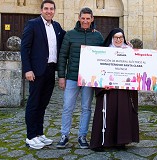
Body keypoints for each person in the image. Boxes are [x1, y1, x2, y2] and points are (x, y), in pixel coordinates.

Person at [56, 7, 104, 149]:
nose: (85, 21)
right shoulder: (70, 35)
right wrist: (61, 76)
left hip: (89, 79)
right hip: (72, 77)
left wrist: (127, 47)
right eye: (83, 18)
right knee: (67, 107)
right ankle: (64, 135)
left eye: (88, 18)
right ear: (79, 18)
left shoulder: (98, 36)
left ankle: (82, 136)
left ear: (92, 19)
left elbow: (107, 53)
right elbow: (63, 56)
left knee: (86, 108)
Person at [20, 0, 65, 149]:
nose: (49, 11)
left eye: (51, 9)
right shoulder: (33, 24)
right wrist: (27, 69)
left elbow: (69, 38)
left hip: (50, 70)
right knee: (33, 104)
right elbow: (24, 48)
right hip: (36, 71)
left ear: (54, 11)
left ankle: (39, 134)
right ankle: (30, 136)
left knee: (43, 104)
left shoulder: (57, 26)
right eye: (46, 8)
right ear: (41, 10)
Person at [90, 28, 139, 152]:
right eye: (116, 37)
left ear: (124, 38)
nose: (118, 40)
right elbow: (96, 69)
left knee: (122, 114)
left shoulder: (129, 52)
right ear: (112, 38)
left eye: (121, 37)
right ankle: (101, 142)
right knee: (106, 114)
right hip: (108, 90)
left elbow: (136, 68)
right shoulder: (105, 51)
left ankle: (120, 142)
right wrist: (101, 84)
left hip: (124, 90)